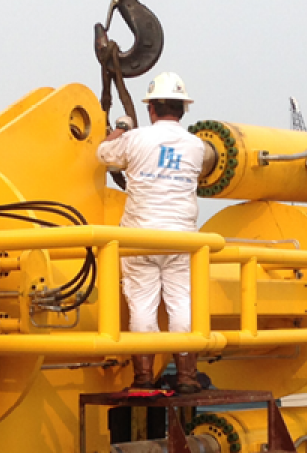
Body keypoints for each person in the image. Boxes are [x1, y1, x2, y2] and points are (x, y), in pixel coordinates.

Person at [96, 71, 206, 394]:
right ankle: (186, 376)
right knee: (182, 305)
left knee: (142, 306)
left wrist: (121, 126)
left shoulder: (135, 139)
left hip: (140, 238)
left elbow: (103, 154)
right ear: (183, 109)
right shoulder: (197, 146)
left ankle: (143, 376)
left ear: (151, 109)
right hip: (182, 239)